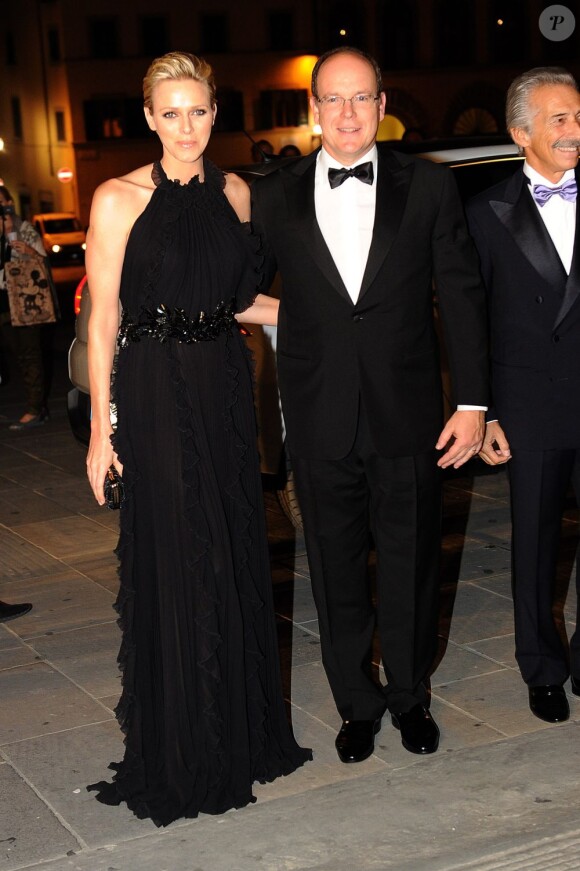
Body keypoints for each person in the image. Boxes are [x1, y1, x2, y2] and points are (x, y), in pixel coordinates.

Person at [85, 51, 310, 827]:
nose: (186, 127)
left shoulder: (238, 193)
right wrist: (98, 431)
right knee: (180, 556)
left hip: (221, 384)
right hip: (153, 391)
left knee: (230, 544)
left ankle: (235, 737)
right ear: (148, 117)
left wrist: (337, 310)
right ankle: (184, 747)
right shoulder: (117, 198)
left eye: (199, 111)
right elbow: (104, 316)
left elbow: (240, 299)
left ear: (217, 112)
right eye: (169, 113)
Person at [251, 46, 489, 763]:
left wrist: (474, 402)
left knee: (415, 564)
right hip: (319, 411)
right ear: (314, 108)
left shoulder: (430, 187)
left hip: (408, 412)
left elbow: (464, 294)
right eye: (333, 99)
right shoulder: (274, 192)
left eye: (361, 98)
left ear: (383, 107)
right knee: (333, 566)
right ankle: (356, 704)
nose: (348, 113)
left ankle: (411, 697)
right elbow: (238, 288)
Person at [466, 67, 580, 724]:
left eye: (576, 116)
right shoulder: (487, 212)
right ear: (520, 133)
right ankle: (541, 667)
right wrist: (486, 411)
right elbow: (472, 318)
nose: (572, 130)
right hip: (529, 403)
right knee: (534, 543)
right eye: (558, 119)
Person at [0, 186, 51, 430]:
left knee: (29, 355)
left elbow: (42, 263)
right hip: (2, 304)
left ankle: (35, 409)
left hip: (24, 302)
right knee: (14, 357)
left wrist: (23, 245)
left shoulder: (24, 229)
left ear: (9, 202)